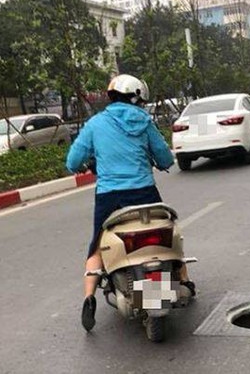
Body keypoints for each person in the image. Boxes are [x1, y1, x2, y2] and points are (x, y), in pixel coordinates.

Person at [65, 74, 194, 332]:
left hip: (109, 197)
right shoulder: (145, 122)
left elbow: (72, 161)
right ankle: (185, 281)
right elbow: (164, 157)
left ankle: (89, 298)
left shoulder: (95, 123)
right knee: (166, 233)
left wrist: (85, 164)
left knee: (97, 247)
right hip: (145, 193)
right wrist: (161, 162)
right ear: (137, 97)